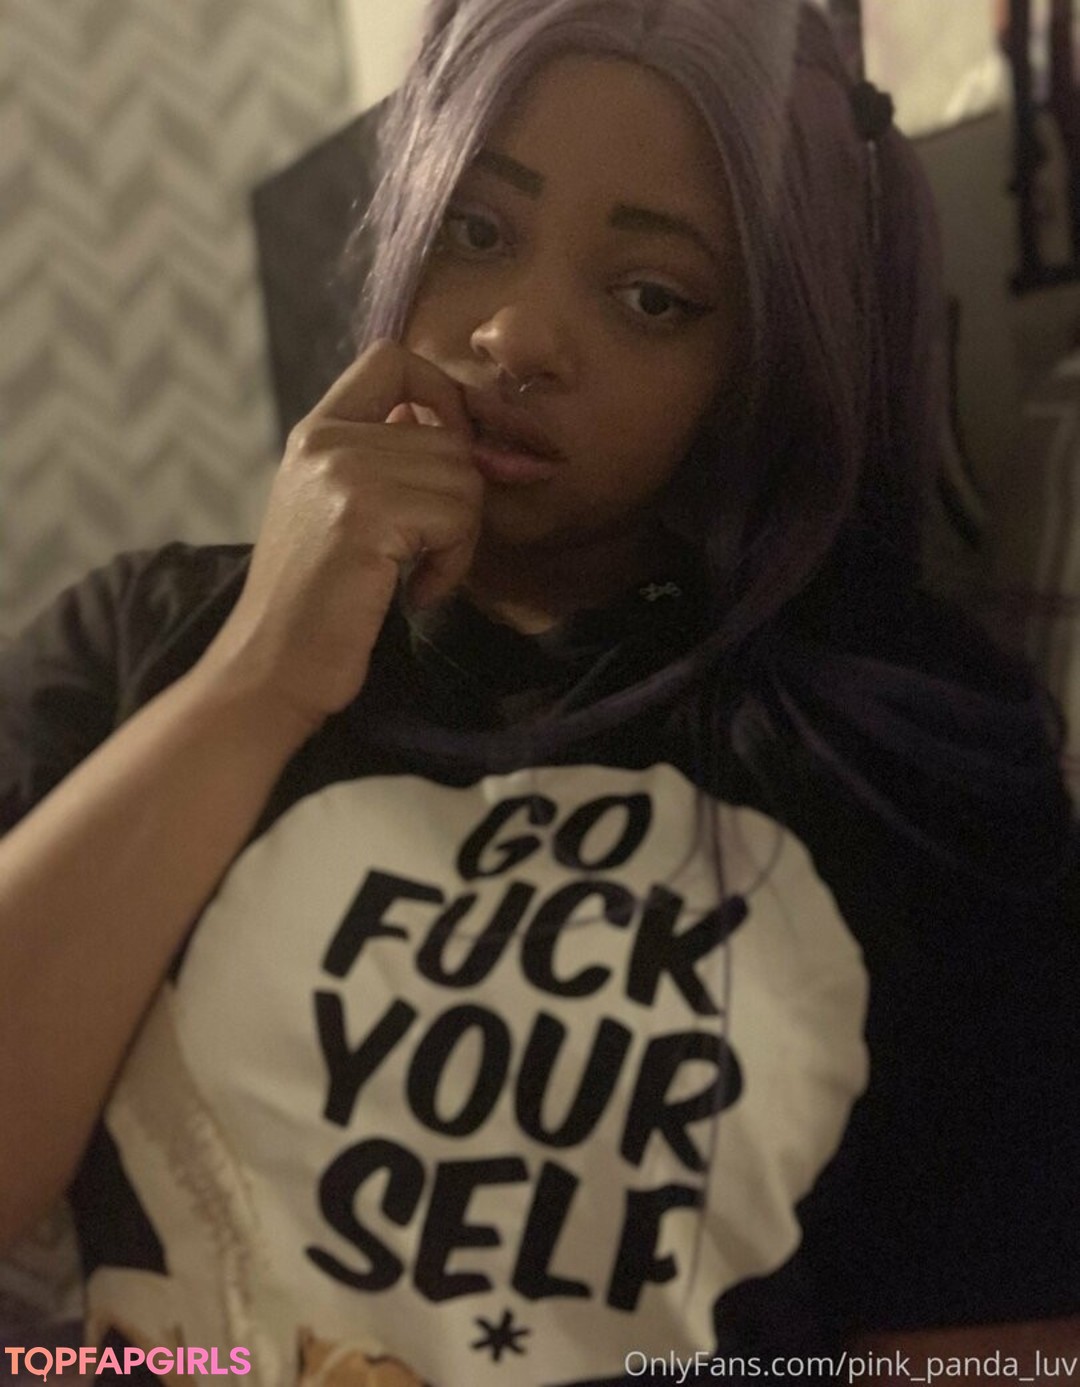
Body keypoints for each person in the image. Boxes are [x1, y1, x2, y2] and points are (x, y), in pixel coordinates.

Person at [0, 0, 1077, 1383]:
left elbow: (1003, 1350)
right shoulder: (142, 645)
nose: (516, 334)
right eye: (476, 229)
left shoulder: (910, 763)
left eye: (651, 297)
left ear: (766, 354)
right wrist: (260, 675)